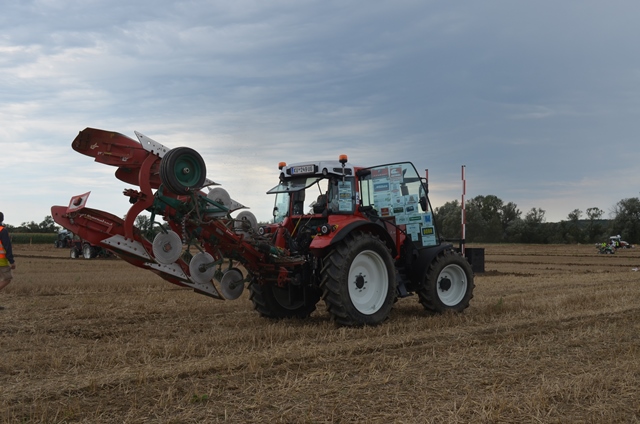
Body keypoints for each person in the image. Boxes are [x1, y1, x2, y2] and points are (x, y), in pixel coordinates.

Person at [0, 212, 16, 310]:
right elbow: (7, 246)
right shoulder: (2, 230)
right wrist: (11, 261)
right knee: (7, 279)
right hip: (1, 261)